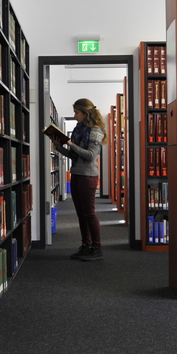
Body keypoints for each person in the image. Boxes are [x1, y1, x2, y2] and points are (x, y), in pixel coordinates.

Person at [52, 98, 108, 261]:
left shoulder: (95, 131)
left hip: (88, 176)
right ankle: (86, 246)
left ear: (86, 113)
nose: (75, 116)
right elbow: (74, 155)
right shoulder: (79, 129)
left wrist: (70, 143)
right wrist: (59, 147)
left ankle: (97, 248)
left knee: (89, 213)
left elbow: (90, 156)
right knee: (81, 213)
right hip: (76, 174)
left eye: (77, 113)